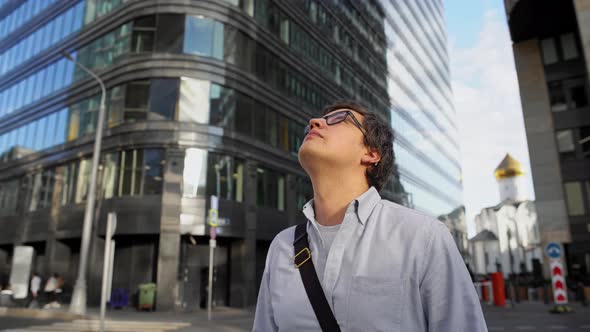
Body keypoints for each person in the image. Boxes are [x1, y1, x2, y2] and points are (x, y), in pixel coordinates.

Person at [253, 101, 487, 331]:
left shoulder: (423, 236)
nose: (314, 123)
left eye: (338, 119)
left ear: (371, 153)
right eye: (313, 123)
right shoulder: (282, 246)